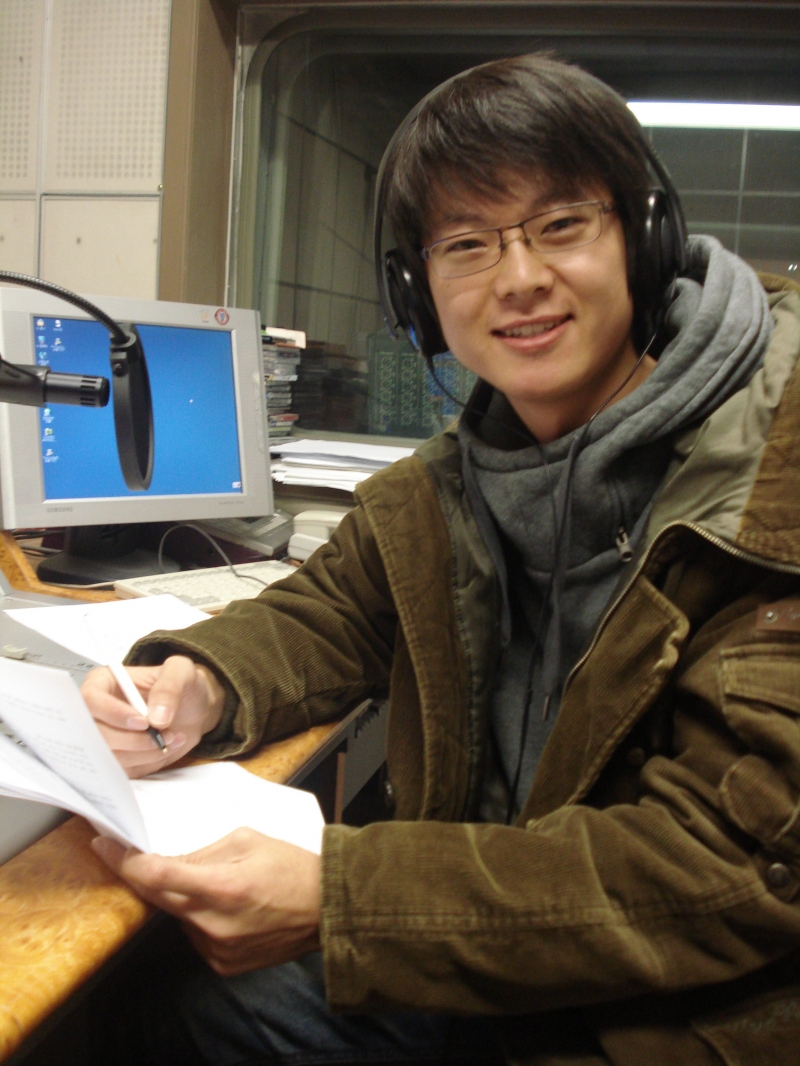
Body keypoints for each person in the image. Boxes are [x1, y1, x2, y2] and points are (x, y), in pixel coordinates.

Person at [82, 54, 800, 1066]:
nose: (519, 278)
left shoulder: (774, 477)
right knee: (151, 985)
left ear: (643, 240)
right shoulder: (466, 475)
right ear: (417, 293)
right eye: (466, 244)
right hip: (496, 954)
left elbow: (736, 864)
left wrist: (347, 901)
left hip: (682, 1015)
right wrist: (198, 681)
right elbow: (330, 610)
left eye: (561, 225)